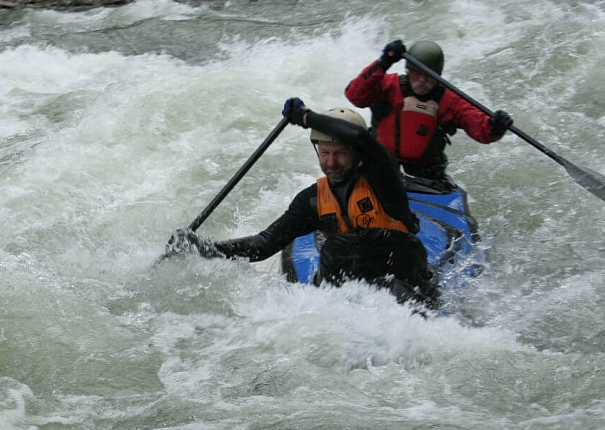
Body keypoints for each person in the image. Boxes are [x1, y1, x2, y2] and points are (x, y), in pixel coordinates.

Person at [166, 98, 440, 308]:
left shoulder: (383, 179)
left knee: (345, 247)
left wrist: (307, 118)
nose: (331, 163)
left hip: (404, 280)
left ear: (357, 155)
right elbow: (263, 245)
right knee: (335, 256)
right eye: (325, 153)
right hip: (356, 292)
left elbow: (361, 137)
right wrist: (205, 247)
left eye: (340, 154)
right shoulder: (313, 199)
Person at [344, 39, 514, 189]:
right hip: (381, 165)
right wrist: (383, 63)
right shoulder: (389, 85)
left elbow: (480, 128)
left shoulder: (451, 100)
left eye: (428, 76)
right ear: (408, 71)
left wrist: (495, 126)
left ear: (438, 76)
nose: (422, 80)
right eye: (417, 73)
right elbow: (355, 95)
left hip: (426, 174)